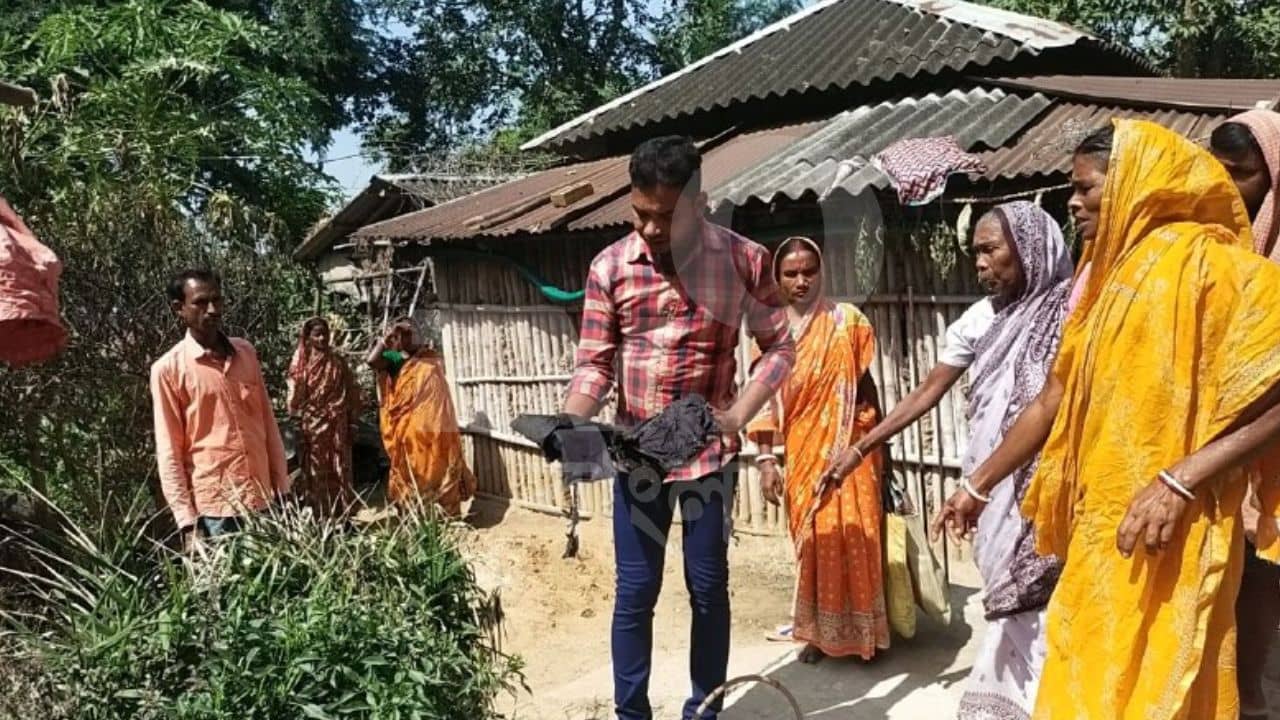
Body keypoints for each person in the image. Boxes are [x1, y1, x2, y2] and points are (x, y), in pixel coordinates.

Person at [937, 119, 1280, 720]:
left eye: (1086, 188)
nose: (1072, 203)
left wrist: (1181, 480)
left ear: (1136, 184)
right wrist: (978, 484)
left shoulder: (1227, 273)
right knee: (1088, 675)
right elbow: (1055, 396)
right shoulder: (1102, 281)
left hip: (1176, 526)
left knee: (1161, 688)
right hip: (1101, 528)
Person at [563, 135, 795, 720]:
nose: (649, 228)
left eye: (664, 216)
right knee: (635, 592)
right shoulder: (610, 267)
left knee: (709, 587)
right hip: (638, 459)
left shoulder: (744, 261)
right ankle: (631, 714)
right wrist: (569, 422)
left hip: (708, 463)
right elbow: (594, 365)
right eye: (639, 213)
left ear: (699, 204)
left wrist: (738, 415)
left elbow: (779, 348)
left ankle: (704, 711)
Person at [825, 202, 1074, 718]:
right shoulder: (979, 321)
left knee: (1058, 602)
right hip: (993, 485)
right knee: (1008, 593)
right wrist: (863, 446)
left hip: (1058, 483)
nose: (979, 263)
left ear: (1028, 248)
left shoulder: (1076, 312)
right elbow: (927, 392)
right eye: (975, 252)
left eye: (990, 250)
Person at [745, 236, 889, 665]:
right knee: (812, 541)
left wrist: (876, 447)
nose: (801, 281)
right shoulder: (769, 335)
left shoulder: (847, 322)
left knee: (859, 539)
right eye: (791, 274)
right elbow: (762, 402)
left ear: (821, 272)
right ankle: (817, 635)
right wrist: (766, 461)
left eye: (809, 271)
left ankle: (865, 635)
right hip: (803, 453)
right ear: (777, 279)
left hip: (853, 453)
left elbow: (867, 389)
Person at [1209, 109, 1280, 720]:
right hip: (1218, 437)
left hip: (1265, 438)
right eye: (1220, 171)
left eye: (1244, 173)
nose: (1228, 187)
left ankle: (1251, 695)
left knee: (1261, 567)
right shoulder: (1210, 249)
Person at [150, 269, 289, 549]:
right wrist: (187, 522)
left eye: (217, 300)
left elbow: (268, 423)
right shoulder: (168, 370)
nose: (212, 310)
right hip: (216, 513)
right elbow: (169, 450)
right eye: (201, 302)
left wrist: (283, 489)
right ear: (179, 308)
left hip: (263, 501)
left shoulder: (245, 353)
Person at [366, 317, 475, 517]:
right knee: (413, 471)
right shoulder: (396, 358)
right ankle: (414, 516)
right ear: (397, 338)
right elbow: (372, 361)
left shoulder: (430, 357)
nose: (411, 337)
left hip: (439, 431)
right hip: (411, 434)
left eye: (413, 332)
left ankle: (447, 515)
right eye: (404, 334)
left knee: (441, 469)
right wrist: (386, 338)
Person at [286, 316, 362, 519]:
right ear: (308, 337)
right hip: (313, 427)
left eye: (325, 334)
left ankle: (343, 516)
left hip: (338, 424)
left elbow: (352, 391)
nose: (322, 338)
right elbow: (294, 399)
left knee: (340, 468)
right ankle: (321, 515)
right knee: (316, 469)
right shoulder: (301, 365)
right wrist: (297, 420)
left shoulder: (338, 362)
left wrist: (353, 421)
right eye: (317, 334)